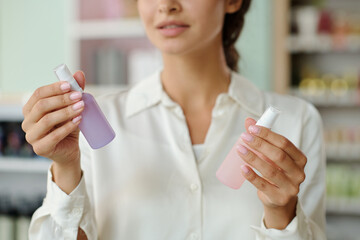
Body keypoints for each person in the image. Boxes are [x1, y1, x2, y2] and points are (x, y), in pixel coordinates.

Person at [23, 0, 326, 239]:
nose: (166, 4)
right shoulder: (96, 126)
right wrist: (65, 167)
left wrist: (281, 211)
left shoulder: (297, 122)